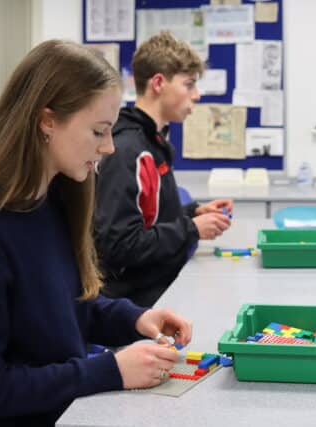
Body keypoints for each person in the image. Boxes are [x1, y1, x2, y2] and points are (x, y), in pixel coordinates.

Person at [0, 40, 193, 427]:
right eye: (98, 131)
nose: (110, 147)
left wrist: (134, 319)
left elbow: (63, 309)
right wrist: (108, 370)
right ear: (47, 121)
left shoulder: (53, 201)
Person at [94, 31, 232, 308]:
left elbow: (146, 217)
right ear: (158, 83)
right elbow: (118, 245)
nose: (197, 95)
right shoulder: (127, 150)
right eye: (189, 84)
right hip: (135, 304)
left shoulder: (153, 141)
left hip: (162, 287)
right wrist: (191, 229)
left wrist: (192, 213)